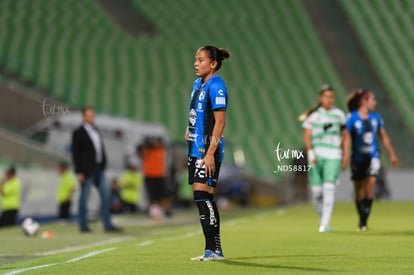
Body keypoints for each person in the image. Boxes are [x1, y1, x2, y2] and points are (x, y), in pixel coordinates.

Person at [185, 45, 230, 261]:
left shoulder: (217, 85)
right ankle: (213, 249)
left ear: (213, 64)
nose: (196, 63)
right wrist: (190, 129)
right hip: (195, 148)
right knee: (205, 198)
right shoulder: (198, 83)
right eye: (196, 59)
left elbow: (220, 123)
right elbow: (198, 112)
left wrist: (210, 153)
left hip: (206, 151)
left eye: (201, 60)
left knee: (202, 197)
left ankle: (213, 250)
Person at [345, 89, 398, 231]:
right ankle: (362, 218)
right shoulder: (351, 117)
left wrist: (391, 154)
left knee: (370, 185)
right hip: (357, 159)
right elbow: (346, 137)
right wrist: (344, 156)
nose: (375, 102)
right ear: (364, 101)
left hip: (373, 157)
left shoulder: (376, 118)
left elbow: (383, 136)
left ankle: (363, 223)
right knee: (359, 192)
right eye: (372, 99)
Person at [301, 85, 349, 232]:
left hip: (334, 154)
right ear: (320, 98)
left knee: (329, 188)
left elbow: (346, 136)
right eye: (326, 96)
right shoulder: (313, 116)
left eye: (332, 96)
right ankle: (323, 218)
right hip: (317, 155)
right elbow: (307, 136)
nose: (329, 99)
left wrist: (346, 154)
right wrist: (310, 153)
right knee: (316, 193)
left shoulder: (339, 115)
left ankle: (325, 224)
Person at [71, 106, 121, 233]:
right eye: (89, 115)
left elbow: (100, 149)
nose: (91, 117)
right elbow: (75, 153)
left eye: (93, 115)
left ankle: (108, 224)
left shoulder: (96, 130)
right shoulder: (78, 132)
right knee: (84, 197)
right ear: (83, 116)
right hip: (86, 169)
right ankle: (83, 225)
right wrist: (79, 171)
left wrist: (103, 163)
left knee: (105, 196)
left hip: (98, 168)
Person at [140, 136, 171, 220]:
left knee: (164, 195)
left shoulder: (162, 150)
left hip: (160, 175)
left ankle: (166, 211)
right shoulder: (148, 150)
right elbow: (142, 156)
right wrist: (146, 146)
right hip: (149, 175)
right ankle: (153, 212)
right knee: (152, 196)